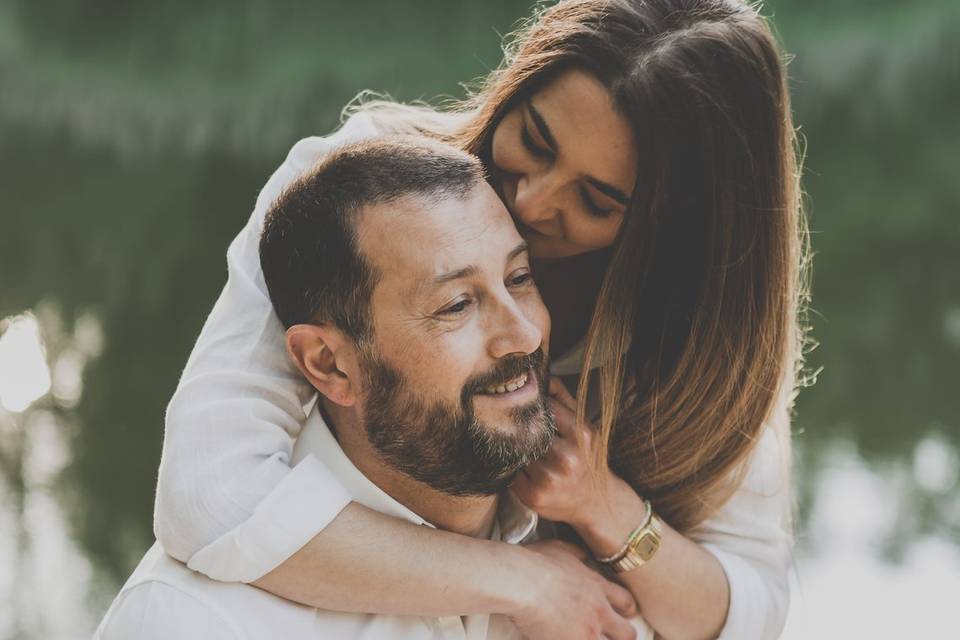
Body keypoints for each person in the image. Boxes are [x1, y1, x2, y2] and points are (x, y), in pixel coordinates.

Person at [155, 1, 807, 638]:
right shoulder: (357, 194)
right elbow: (207, 497)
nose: (529, 198)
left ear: (667, 227)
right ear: (518, 86)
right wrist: (524, 581)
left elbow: (749, 612)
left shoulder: (700, 338)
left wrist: (601, 503)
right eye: (535, 140)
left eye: (595, 200)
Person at [96, 138, 648, 640]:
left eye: (519, 279)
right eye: (456, 305)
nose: (524, 334)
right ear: (331, 365)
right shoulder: (196, 624)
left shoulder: (596, 583)